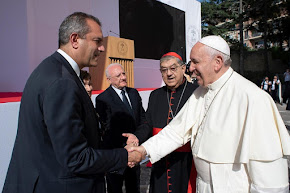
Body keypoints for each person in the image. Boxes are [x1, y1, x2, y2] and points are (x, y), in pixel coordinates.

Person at [2, 12, 141, 193]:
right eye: (97, 41)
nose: (102, 48)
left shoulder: (52, 70)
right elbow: (76, 157)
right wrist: (124, 155)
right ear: (75, 39)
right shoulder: (62, 82)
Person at [131, 35, 290, 192]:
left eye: (195, 62)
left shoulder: (252, 98)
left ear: (217, 62)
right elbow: (175, 133)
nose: (190, 68)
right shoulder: (201, 93)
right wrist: (144, 150)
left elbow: (269, 176)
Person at [132, 52, 198, 193]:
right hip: (161, 161)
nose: (168, 73)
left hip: (185, 162)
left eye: (173, 68)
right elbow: (147, 124)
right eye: (164, 70)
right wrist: (136, 137)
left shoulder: (196, 93)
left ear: (182, 68)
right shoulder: (156, 95)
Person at [95, 63, 147, 193]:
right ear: (109, 79)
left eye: (123, 73)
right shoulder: (103, 99)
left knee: (133, 188)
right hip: (116, 155)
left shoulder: (133, 93)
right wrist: (125, 151)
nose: (123, 77)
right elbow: (107, 130)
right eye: (118, 75)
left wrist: (136, 141)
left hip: (135, 153)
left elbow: (143, 120)